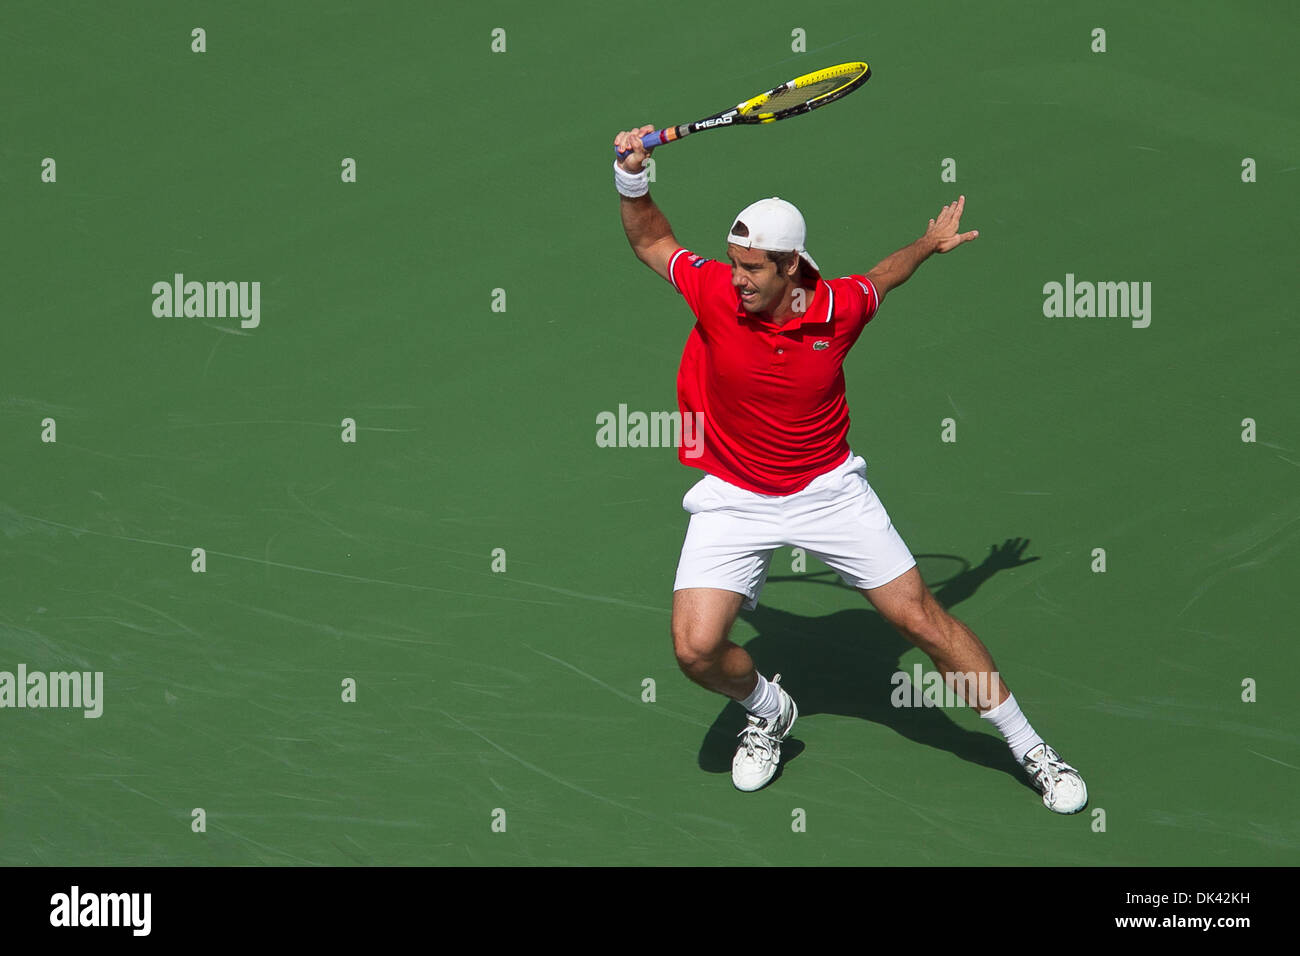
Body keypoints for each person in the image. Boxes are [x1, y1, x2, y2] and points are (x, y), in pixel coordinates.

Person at [611, 125, 1088, 814]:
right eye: (733, 262)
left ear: (792, 266)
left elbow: (884, 276)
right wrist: (633, 176)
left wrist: (928, 245)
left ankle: (1034, 751)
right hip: (734, 494)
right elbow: (653, 242)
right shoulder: (715, 290)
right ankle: (770, 711)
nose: (736, 277)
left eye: (752, 268)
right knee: (695, 649)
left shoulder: (840, 307)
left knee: (923, 621)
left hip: (827, 491)